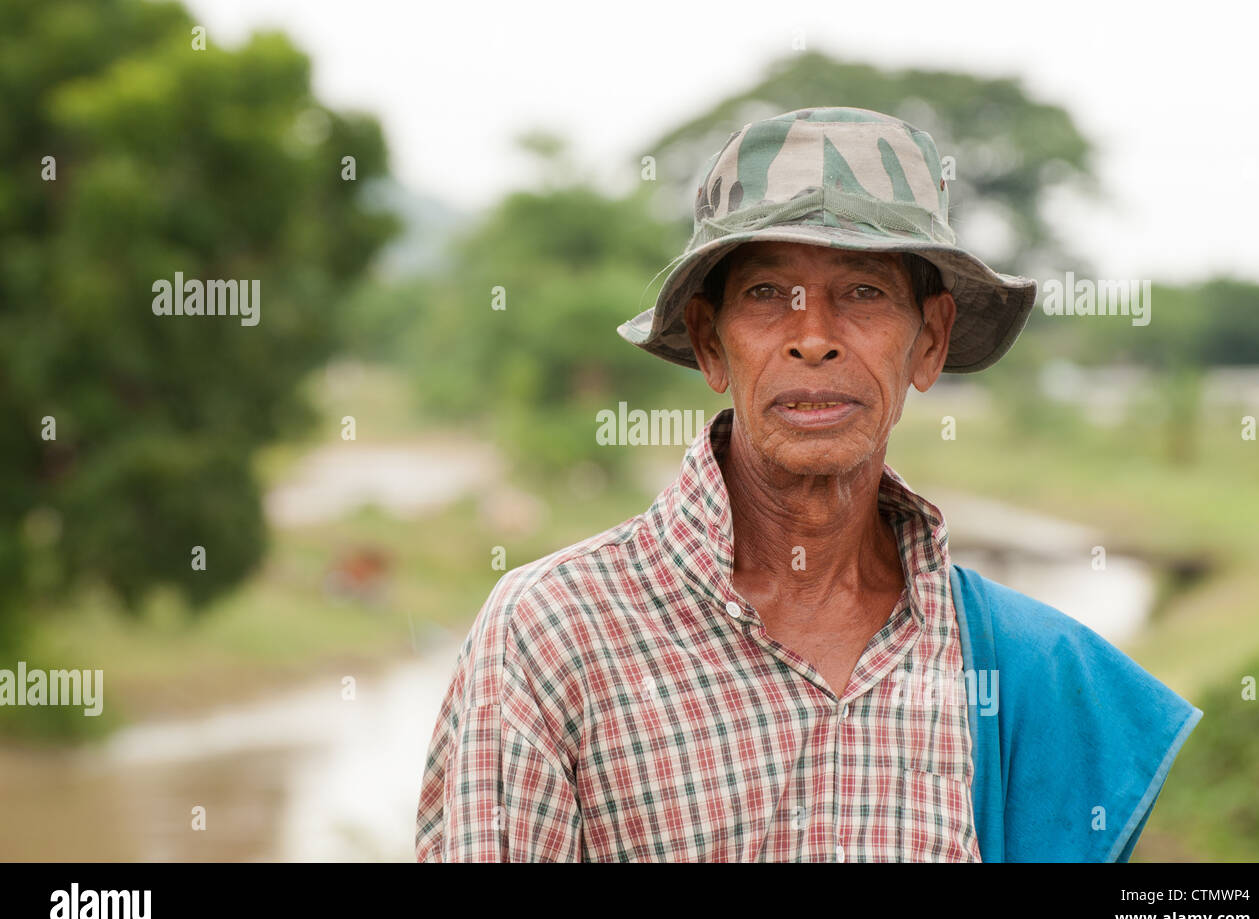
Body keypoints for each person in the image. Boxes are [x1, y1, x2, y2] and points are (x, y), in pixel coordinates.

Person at [416, 106, 1201, 862]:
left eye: (864, 292)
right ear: (709, 342)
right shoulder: (555, 633)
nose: (815, 338)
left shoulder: (1023, 668)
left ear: (928, 343)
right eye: (766, 294)